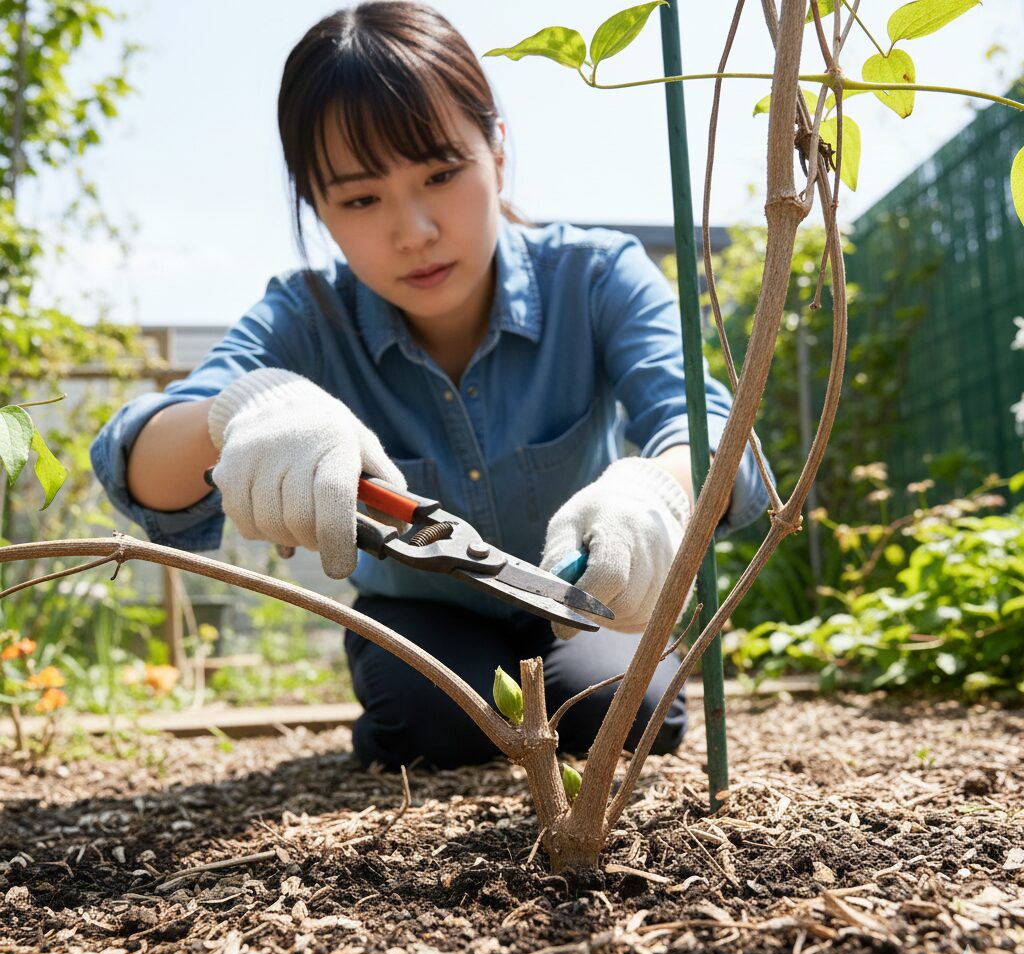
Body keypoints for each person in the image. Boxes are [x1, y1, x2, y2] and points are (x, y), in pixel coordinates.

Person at [91, 1, 771, 772]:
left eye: (442, 174)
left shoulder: (596, 276)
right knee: (429, 722)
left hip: (587, 601)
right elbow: (137, 454)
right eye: (359, 198)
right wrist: (240, 411)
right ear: (316, 206)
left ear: (498, 150)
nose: (413, 229)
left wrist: (658, 491)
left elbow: (707, 425)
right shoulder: (306, 316)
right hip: (422, 615)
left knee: (628, 708)